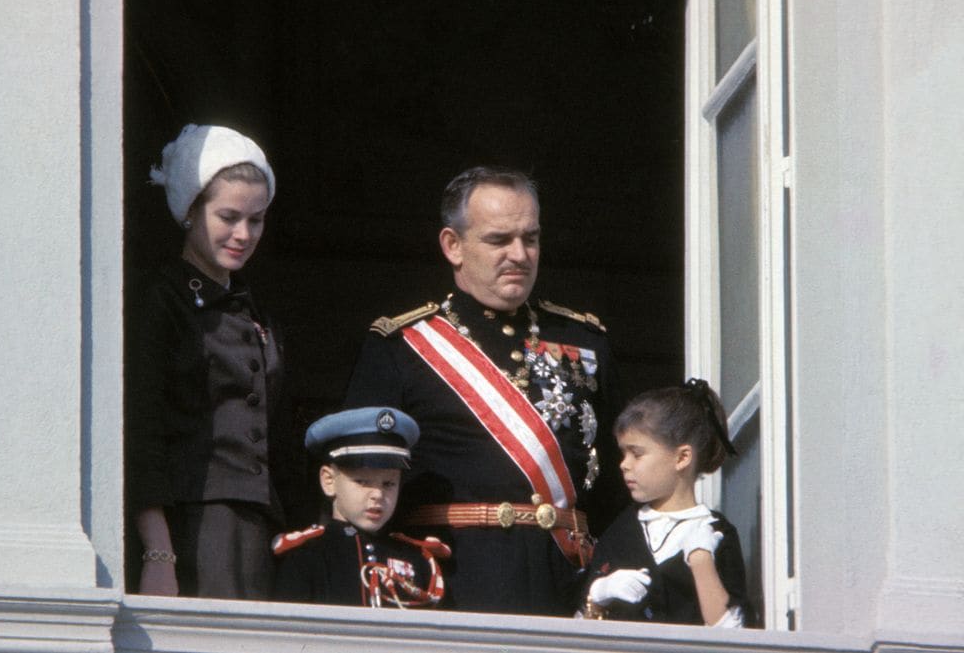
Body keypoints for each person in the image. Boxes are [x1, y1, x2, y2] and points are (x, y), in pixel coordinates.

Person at [343, 166, 627, 615]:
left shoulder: (586, 341)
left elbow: (617, 487)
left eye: (530, 238)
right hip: (455, 586)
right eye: (499, 240)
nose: (519, 254)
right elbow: (360, 486)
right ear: (453, 246)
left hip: (567, 585)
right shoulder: (401, 347)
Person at [126, 124, 307, 599]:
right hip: (192, 526)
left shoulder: (257, 313)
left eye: (257, 219)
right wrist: (158, 551)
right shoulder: (160, 301)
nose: (243, 234)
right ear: (190, 211)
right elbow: (141, 431)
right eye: (228, 216)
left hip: (260, 526)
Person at [579, 378, 752, 627]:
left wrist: (702, 561)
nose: (624, 464)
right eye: (623, 453)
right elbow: (579, 634)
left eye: (637, 454)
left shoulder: (716, 533)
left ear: (682, 457)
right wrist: (598, 593)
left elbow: (733, 636)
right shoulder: (621, 530)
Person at [273, 407, 450, 608]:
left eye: (388, 483)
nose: (377, 494)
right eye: (362, 481)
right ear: (328, 481)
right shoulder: (308, 556)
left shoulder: (417, 560)